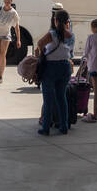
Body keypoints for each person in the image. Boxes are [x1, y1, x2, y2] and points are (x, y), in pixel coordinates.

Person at [35, 7, 74, 135]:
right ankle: (63, 126)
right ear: (67, 21)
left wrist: (44, 52)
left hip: (51, 67)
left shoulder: (52, 33)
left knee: (48, 100)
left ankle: (46, 127)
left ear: (55, 20)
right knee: (61, 98)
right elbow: (70, 52)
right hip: (65, 67)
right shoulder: (71, 36)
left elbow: (40, 43)